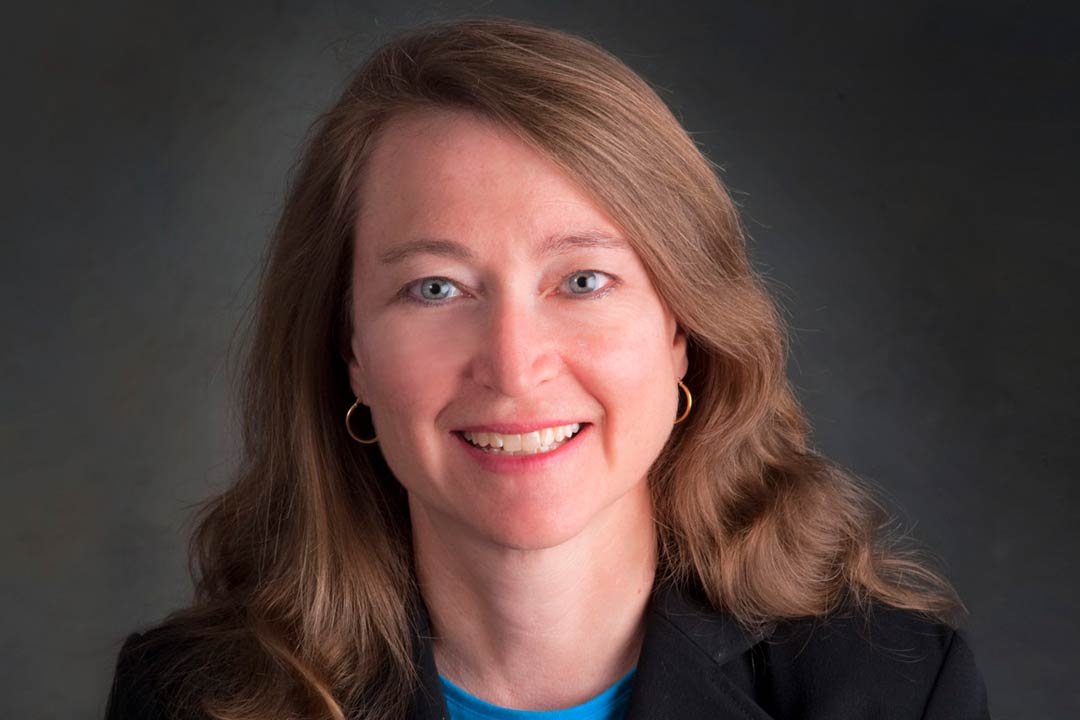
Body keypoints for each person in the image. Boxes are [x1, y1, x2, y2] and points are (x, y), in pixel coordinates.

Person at [105, 18, 989, 720]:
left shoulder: (892, 692)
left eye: (583, 279)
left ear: (683, 329)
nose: (515, 365)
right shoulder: (189, 699)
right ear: (352, 357)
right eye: (436, 287)